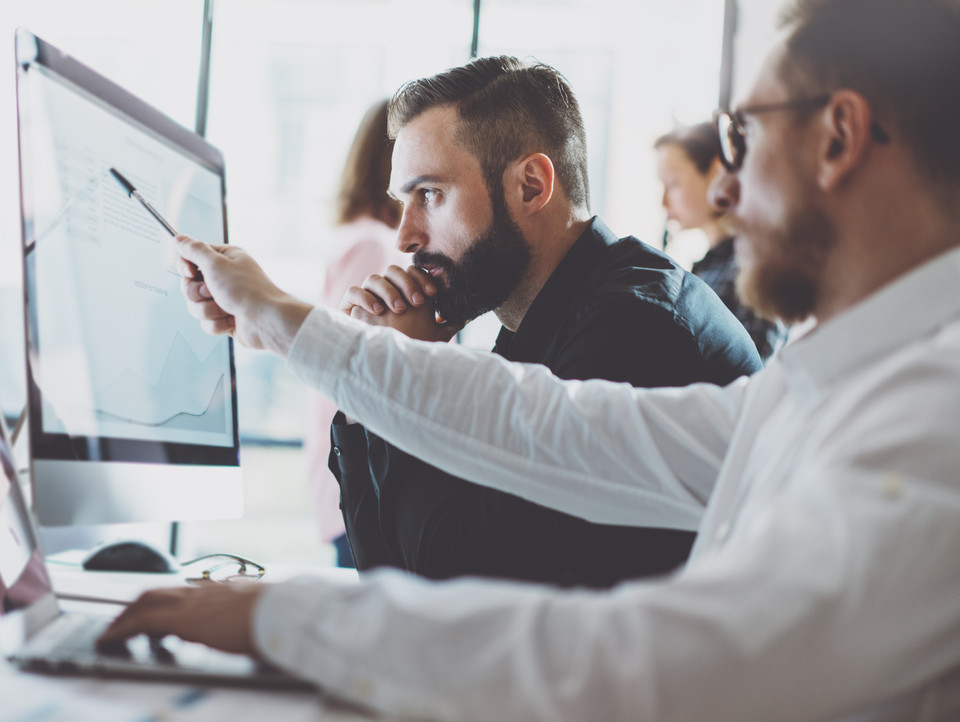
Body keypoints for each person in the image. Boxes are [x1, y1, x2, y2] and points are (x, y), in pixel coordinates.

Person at [101, 0, 960, 719]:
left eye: (744, 137)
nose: (723, 191)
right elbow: (549, 426)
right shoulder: (824, 385)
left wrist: (289, 616)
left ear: (839, 136)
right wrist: (291, 326)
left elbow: (649, 664)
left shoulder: (929, 425)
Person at [328, 58, 760, 587]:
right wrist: (366, 394)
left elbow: (461, 593)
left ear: (531, 186)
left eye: (431, 195)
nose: (406, 236)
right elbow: (387, 580)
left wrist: (412, 371)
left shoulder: (635, 331)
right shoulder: (533, 325)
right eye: (404, 201)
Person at [303, 98, 404, 567]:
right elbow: (351, 359)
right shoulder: (374, 245)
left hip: (350, 470)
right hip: (363, 474)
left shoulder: (361, 237)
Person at [655, 121, 788, 360]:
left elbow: (752, 373)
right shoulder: (708, 267)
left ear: (716, 171)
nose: (664, 202)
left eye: (672, 183)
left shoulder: (751, 269)